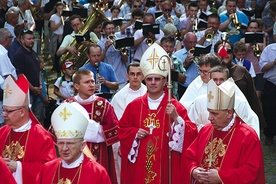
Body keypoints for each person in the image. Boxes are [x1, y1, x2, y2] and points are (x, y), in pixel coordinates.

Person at [118, 43, 198, 184]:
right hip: (140, 168)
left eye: (157, 79)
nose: (153, 82)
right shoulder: (134, 106)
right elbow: (122, 130)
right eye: (149, 79)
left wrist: (177, 119)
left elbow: (192, 133)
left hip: (166, 168)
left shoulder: (175, 107)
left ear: (165, 81)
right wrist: (134, 133)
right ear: (145, 80)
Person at [184, 77, 265, 184]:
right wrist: (194, 170)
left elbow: (251, 170)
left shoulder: (247, 135)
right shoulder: (205, 130)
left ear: (229, 113)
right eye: (209, 112)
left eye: (215, 114)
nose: (209, 118)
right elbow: (190, 156)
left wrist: (221, 177)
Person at [35, 102, 112, 184]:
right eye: (61, 143)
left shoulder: (97, 172)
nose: (64, 148)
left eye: (70, 143)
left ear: (82, 145)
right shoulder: (47, 169)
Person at [65, 69, 119, 184]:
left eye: (92, 81)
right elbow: (57, 132)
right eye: (87, 82)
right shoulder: (67, 106)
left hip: (99, 155)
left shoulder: (104, 105)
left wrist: (91, 129)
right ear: (76, 86)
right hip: (73, 154)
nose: (91, 85)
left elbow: (114, 131)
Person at [0, 75, 56, 183]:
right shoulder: (2, 133)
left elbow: (49, 168)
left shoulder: (41, 136)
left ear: (22, 112)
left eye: (8, 111)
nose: (4, 115)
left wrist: (18, 167)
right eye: (4, 110)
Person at [191, 65, 260, 137]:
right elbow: (194, 125)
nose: (218, 83)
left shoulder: (239, 103)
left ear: (227, 81)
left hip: (234, 140)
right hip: (208, 140)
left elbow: (250, 124)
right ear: (209, 80)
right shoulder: (199, 101)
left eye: (221, 79)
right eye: (214, 79)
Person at [214, 39, 266, 132]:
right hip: (217, 119)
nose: (225, 54)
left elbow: (252, 97)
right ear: (215, 53)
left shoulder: (242, 71)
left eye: (228, 51)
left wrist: (258, 122)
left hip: (241, 116)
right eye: (221, 51)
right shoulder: (210, 73)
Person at [110, 61, 147, 184]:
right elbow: (117, 124)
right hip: (126, 142)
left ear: (143, 76)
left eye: (138, 74)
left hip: (147, 140)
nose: (135, 77)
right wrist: (122, 143)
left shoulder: (150, 93)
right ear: (127, 76)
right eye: (132, 74)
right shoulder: (119, 97)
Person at [13, 29, 42, 121]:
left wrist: (40, 85)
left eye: (33, 38)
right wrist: (33, 88)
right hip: (27, 93)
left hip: (38, 91)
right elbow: (20, 75)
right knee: (28, 117)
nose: (32, 41)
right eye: (29, 39)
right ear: (22, 40)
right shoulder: (19, 55)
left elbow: (38, 71)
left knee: (38, 117)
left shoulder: (33, 53)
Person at [97, 21, 128, 90]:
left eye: (113, 28)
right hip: (107, 79)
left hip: (121, 78)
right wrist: (105, 49)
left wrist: (121, 49)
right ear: (104, 31)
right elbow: (99, 61)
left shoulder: (120, 41)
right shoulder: (99, 44)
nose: (111, 31)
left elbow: (126, 60)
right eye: (109, 29)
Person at [259, 43, 276, 145]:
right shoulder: (269, 49)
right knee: (269, 110)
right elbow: (262, 67)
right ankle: (269, 135)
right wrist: (274, 62)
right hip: (271, 84)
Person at [0, 28, 17, 126]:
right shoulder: (1, 54)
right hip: (5, 91)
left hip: (5, 91)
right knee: (3, 120)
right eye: (11, 38)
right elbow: (7, 75)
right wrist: (17, 90)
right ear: (6, 39)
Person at [160, 36, 186, 100]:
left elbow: (183, 80)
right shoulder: (155, 60)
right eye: (166, 46)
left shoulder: (177, 61)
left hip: (173, 96)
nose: (168, 49)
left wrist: (173, 71)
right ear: (161, 47)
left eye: (171, 47)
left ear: (173, 49)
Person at [174, 32, 197, 97]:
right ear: (184, 42)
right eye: (190, 42)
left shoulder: (201, 53)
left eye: (195, 42)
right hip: (183, 88)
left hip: (197, 87)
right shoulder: (177, 55)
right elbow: (175, 74)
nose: (193, 45)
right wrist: (185, 63)